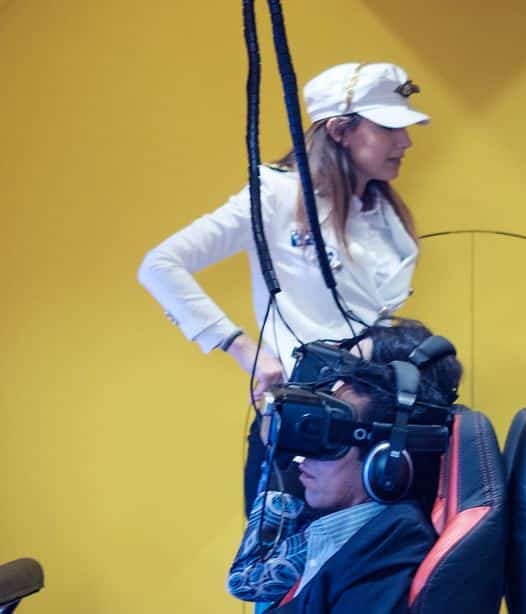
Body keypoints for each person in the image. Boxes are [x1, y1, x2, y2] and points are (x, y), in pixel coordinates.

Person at [137, 61, 429, 508]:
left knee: (366, 563)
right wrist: (243, 349)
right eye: (389, 128)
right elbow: (160, 265)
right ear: (339, 130)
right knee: (280, 571)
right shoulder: (275, 196)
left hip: (374, 424)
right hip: (303, 424)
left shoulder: (385, 217)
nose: (405, 141)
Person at [226, 319, 462, 613]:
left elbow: (253, 580)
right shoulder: (340, 520)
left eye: (358, 377)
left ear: (385, 460)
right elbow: (250, 579)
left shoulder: (391, 545)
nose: (337, 384)